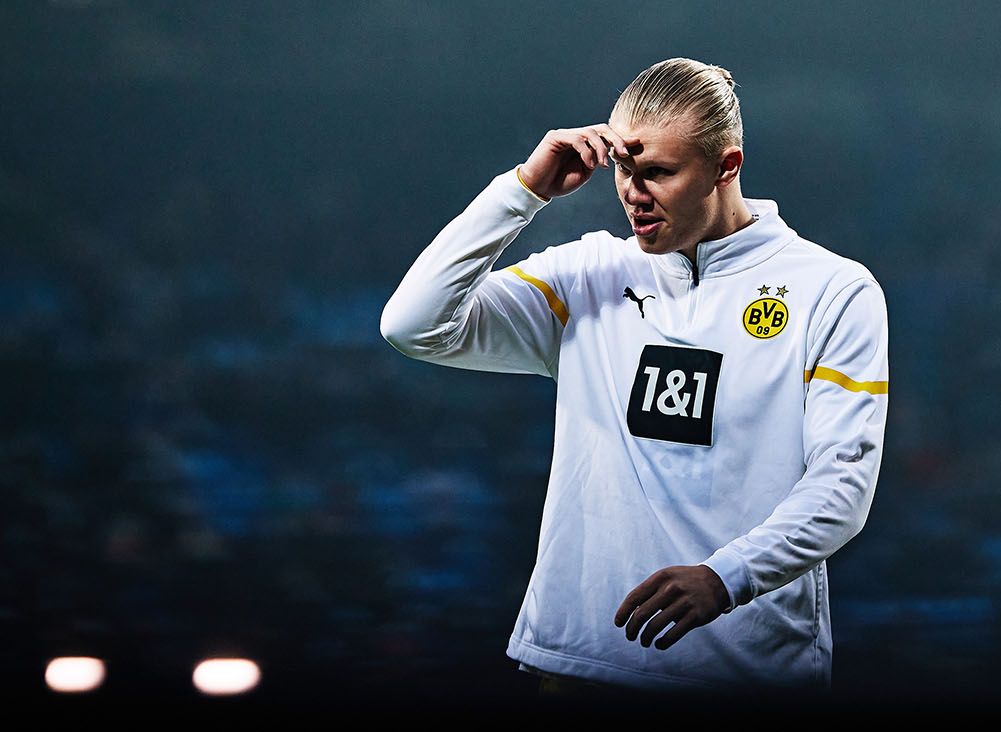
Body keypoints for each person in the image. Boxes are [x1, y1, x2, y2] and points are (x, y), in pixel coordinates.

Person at [379, 58, 889, 695]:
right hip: (578, 660)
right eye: (623, 168)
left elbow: (843, 485)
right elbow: (415, 326)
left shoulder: (833, 290)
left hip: (744, 673)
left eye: (659, 173)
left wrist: (727, 576)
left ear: (726, 166)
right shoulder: (587, 274)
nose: (632, 192)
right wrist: (522, 191)